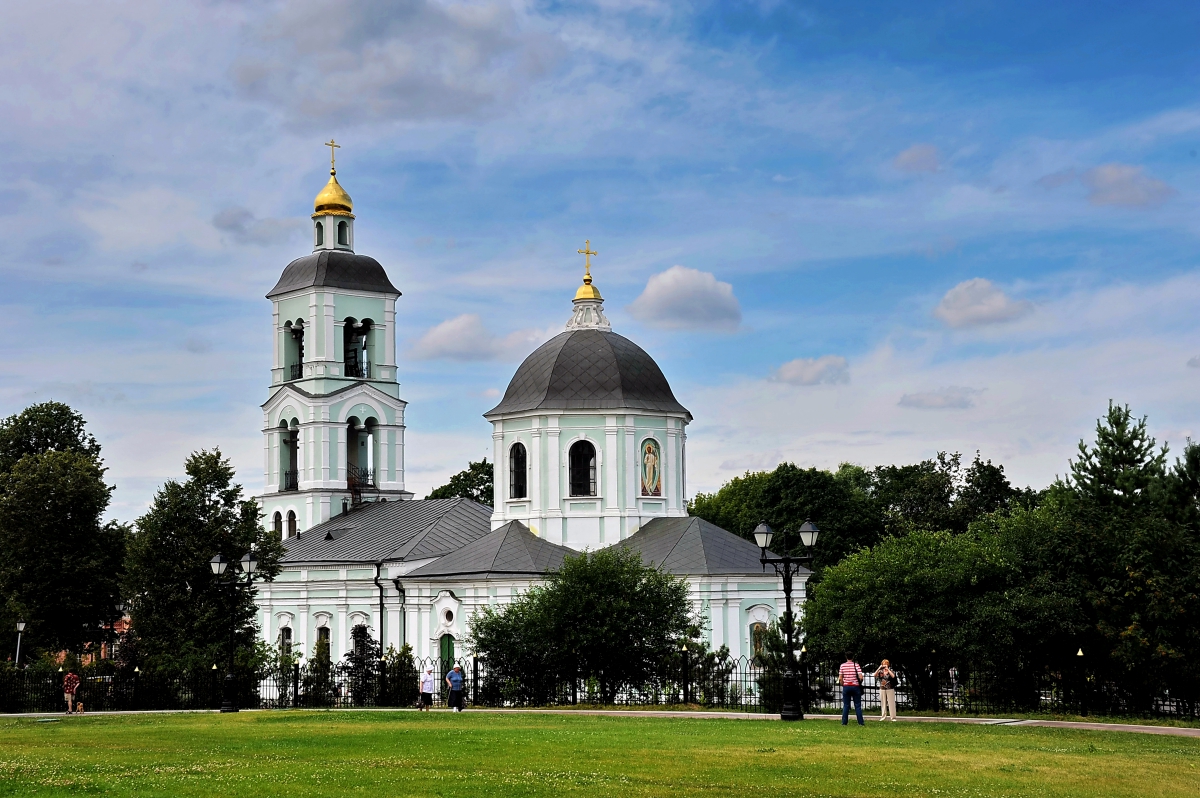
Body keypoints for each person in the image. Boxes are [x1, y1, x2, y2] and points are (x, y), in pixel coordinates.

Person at [838, 654, 864, 726]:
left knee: (846, 705)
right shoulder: (856, 665)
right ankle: (860, 722)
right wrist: (859, 683)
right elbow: (861, 677)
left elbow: (840, 678)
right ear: (852, 657)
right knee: (857, 705)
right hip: (855, 686)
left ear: (846, 657)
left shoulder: (842, 666)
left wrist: (843, 684)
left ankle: (844, 722)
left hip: (846, 686)